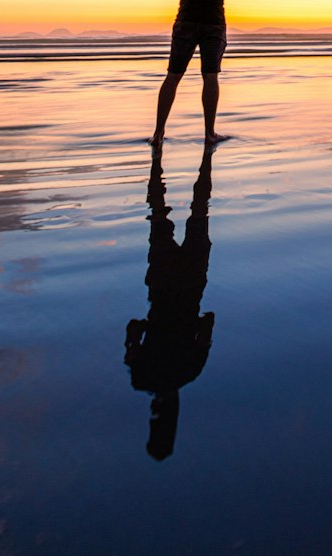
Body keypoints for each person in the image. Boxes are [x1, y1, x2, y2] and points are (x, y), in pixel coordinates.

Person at [124, 145, 216, 460]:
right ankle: (159, 161)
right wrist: (154, 325)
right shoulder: (139, 376)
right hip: (162, 285)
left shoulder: (191, 370)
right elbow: (133, 329)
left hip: (190, 284)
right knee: (159, 209)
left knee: (200, 208)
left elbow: (208, 322)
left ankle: (192, 156)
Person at [150, 0, 238, 147]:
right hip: (213, 22)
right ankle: (209, 134)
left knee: (173, 76)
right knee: (210, 77)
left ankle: (158, 134)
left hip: (186, 21)